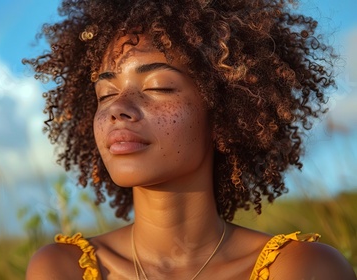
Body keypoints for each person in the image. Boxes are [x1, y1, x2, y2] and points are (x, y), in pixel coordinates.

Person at [23, 0, 357, 279]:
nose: (118, 109)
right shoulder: (63, 268)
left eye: (158, 87)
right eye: (105, 94)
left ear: (224, 111)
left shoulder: (303, 269)